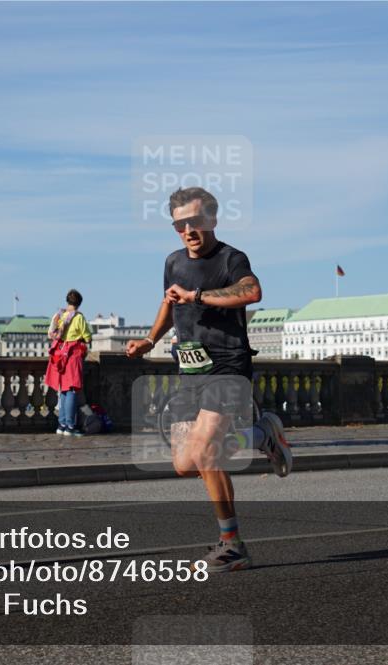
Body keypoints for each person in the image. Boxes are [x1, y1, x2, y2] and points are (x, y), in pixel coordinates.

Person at [126, 186, 292, 573]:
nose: (189, 230)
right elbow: (170, 300)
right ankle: (260, 434)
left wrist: (197, 296)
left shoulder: (231, 258)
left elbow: (252, 291)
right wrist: (150, 339)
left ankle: (232, 544)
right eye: (180, 224)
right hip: (191, 370)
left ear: (212, 220)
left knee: (205, 452)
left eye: (196, 221)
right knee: (186, 463)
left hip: (228, 366)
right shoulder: (172, 261)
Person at [46, 289, 92, 437]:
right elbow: (87, 337)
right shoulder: (78, 317)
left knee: (64, 391)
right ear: (79, 303)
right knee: (72, 390)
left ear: (67, 301)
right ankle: (70, 426)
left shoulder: (61, 315)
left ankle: (62, 424)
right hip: (72, 355)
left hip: (60, 356)